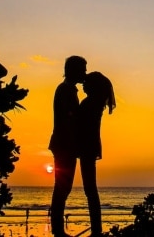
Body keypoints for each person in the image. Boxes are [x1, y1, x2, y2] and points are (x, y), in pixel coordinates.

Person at [48, 55, 87, 237]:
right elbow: (67, 119)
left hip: (66, 145)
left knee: (64, 186)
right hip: (64, 145)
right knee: (62, 186)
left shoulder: (68, 89)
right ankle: (57, 230)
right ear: (74, 70)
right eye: (83, 69)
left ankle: (57, 229)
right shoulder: (65, 90)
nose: (85, 73)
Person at [75, 71, 116, 237]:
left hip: (87, 147)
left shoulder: (91, 103)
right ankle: (96, 228)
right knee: (90, 188)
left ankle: (96, 230)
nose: (83, 85)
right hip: (89, 146)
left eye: (86, 83)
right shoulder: (96, 102)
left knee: (90, 189)